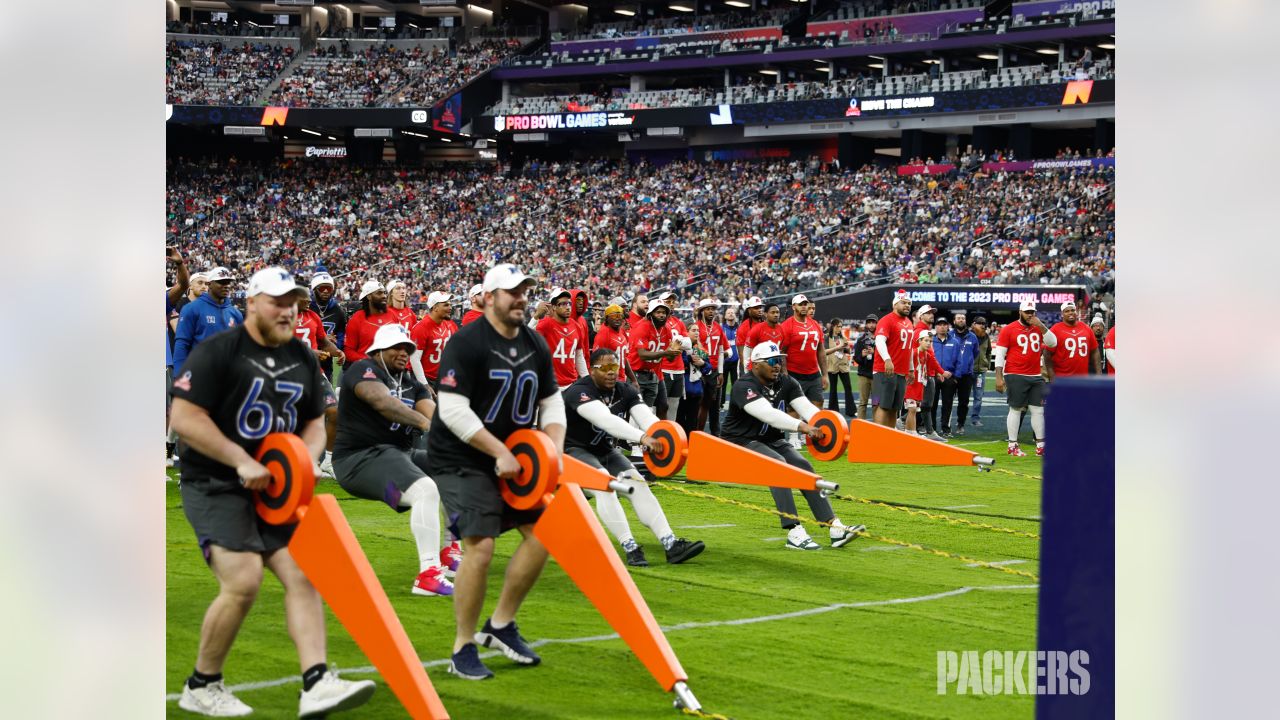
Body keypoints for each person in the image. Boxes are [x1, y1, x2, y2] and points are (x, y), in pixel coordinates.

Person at [169, 267, 375, 718]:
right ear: (252, 304)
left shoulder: (301, 356)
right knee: (243, 582)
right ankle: (202, 685)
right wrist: (240, 460)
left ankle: (317, 682)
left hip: (273, 488)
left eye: (293, 303)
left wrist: (304, 460)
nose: (288, 311)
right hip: (216, 482)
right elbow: (183, 419)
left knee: (304, 575)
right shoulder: (218, 351)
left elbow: (315, 422)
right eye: (278, 302)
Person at [426, 263, 565, 681]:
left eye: (524, 290)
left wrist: (553, 450)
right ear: (488, 297)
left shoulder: (534, 342)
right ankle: (462, 646)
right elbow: (451, 409)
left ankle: (501, 624)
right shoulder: (466, 342)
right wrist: (497, 450)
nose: (521, 297)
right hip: (462, 457)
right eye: (511, 292)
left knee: (545, 536)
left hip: (515, 456)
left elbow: (551, 402)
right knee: (480, 546)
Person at [333, 324, 455, 597]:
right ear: (377, 351)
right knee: (426, 490)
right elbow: (384, 403)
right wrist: (425, 425)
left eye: (407, 348)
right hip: (358, 458)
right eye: (396, 347)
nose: (404, 352)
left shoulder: (411, 383)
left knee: (453, 470)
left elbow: (433, 415)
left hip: (395, 455)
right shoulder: (363, 370)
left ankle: (449, 551)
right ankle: (428, 574)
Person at [563, 348, 706, 566]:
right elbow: (605, 420)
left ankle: (670, 544)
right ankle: (629, 546)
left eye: (615, 367)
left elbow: (646, 418)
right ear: (592, 371)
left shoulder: (625, 390)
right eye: (605, 368)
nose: (612, 372)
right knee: (605, 485)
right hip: (571, 452)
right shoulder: (579, 391)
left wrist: (659, 438)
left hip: (604, 450)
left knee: (638, 484)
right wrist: (642, 438)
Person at [721, 342, 865, 550]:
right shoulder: (744, 386)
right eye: (771, 361)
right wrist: (804, 427)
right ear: (755, 365)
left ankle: (834, 526)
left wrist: (828, 428)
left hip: (770, 439)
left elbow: (807, 409)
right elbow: (768, 415)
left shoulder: (786, 382)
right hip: (739, 441)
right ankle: (793, 530)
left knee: (802, 465)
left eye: (779, 360)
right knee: (778, 465)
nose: (777, 365)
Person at [994, 300, 1057, 456]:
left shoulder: (1038, 327)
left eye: (1032, 311)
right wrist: (998, 377)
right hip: (1015, 373)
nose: (1030, 314)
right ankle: (1012, 445)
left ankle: (1041, 445)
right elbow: (1000, 354)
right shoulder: (1009, 329)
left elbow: (1053, 343)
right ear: (1020, 312)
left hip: (1035, 374)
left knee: (1038, 410)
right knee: (1016, 409)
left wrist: (1041, 325)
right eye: (1027, 311)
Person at [295, 294, 344, 475]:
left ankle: (328, 461)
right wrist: (311, 352)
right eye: (304, 297)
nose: (308, 300)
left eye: (309, 297)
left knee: (334, 412)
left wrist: (337, 351)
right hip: (292, 374)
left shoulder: (313, 316)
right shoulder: (283, 315)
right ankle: (305, 461)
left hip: (316, 374)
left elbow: (323, 341)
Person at [172, 266, 243, 374]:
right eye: (221, 282)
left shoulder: (235, 313)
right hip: (199, 375)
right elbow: (182, 343)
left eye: (228, 282)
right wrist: (179, 375)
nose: (226, 286)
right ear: (209, 284)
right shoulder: (191, 309)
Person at [628, 298, 682, 416]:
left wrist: (675, 351)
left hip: (654, 372)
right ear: (650, 314)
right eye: (658, 312)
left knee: (661, 405)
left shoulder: (666, 329)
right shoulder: (641, 327)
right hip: (636, 372)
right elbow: (642, 355)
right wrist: (665, 353)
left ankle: (660, 432)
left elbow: (669, 358)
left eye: (664, 312)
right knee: (636, 409)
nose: (661, 315)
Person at [872, 292, 914, 428]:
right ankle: (878, 438)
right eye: (904, 303)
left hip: (901, 372)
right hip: (885, 370)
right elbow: (879, 340)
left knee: (894, 408)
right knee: (882, 405)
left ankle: (889, 438)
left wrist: (911, 368)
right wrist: (887, 359)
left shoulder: (908, 322)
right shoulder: (887, 319)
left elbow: (909, 348)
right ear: (895, 304)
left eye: (909, 303)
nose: (907, 306)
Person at [536, 287, 589, 390]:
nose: (568, 307)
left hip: (571, 384)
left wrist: (587, 380)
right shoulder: (546, 324)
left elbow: (579, 356)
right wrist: (536, 317)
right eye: (563, 304)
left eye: (569, 303)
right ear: (554, 307)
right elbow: (527, 341)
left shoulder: (576, 326)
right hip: (551, 385)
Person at [410, 291, 459, 393]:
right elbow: (414, 358)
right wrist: (424, 384)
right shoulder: (421, 327)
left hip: (445, 378)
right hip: (427, 379)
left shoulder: (450, 324)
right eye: (446, 305)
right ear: (435, 308)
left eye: (450, 304)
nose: (450, 307)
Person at [693, 298, 728, 434]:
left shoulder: (718, 327)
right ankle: (693, 432)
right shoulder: (696, 326)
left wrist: (720, 371)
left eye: (713, 309)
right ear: (702, 311)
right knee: (697, 404)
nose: (711, 311)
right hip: (697, 369)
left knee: (708, 404)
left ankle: (701, 434)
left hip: (713, 370)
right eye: (708, 309)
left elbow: (721, 351)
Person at [343, 280, 396, 365]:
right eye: (379, 293)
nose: (384, 296)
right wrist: (370, 361)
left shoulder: (392, 315)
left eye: (384, 293)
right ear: (369, 297)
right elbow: (349, 352)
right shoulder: (356, 319)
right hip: (366, 372)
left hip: (390, 371)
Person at [1045, 300, 1100, 380]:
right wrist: (1052, 378)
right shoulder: (1055, 330)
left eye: (1072, 310)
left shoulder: (1086, 328)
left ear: (1076, 312)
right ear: (1062, 314)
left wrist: (1099, 374)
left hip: (1083, 379)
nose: (1070, 313)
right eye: (1067, 311)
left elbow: (1095, 351)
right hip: (1062, 379)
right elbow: (1047, 355)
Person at [656, 291, 689, 422]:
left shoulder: (678, 322)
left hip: (679, 368)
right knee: (660, 405)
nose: (671, 304)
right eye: (667, 301)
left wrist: (677, 341)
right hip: (663, 368)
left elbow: (688, 344)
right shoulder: (657, 322)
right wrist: (680, 341)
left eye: (672, 301)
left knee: (674, 405)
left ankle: (671, 434)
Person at [309, 272, 348, 383]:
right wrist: (324, 340)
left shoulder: (338, 310)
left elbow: (341, 336)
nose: (326, 291)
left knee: (326, 398)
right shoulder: (307, 307)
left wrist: (335, 346)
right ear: (314, 289)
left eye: (329, 288)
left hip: (326, 362)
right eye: (322, 288)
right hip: (307, 359)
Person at [948, 312, 979, 436]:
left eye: (963, 318)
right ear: (954, 321)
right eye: (958, 318)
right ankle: (947, 425)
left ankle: (961, 424)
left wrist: (968, 364)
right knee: (947, 400)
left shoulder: (972, 337)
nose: (961, 320)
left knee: (964, 401)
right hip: (951, 373)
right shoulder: (949, 335)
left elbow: (975, 353)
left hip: (966, 375)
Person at [931, 317, 960, 437]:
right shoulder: (931, 341)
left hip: (949, 377)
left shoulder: (955, 342)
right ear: (936, 327)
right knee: (932, 404)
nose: (942, 327)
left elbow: (959, 361)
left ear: (948, 326)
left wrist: (955, 377)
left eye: (944, 324)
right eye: (939, 324)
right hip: (934, 376)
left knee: (947, 405)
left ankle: (946, 429)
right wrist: (936, 372)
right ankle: (931, 428)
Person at [905, 329, 937, 433]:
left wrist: (941, 372)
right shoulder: (913, 353)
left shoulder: (926, 355)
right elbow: (906, 367)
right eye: (926, 340)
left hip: (919, 386)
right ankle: (910, 431)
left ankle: (910, 432)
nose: (928, 343)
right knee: (912, 409)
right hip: (911, 386)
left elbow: (932, 364)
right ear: (919, 341)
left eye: (930, 341)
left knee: (914, 410)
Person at [824, 318, 854, 417]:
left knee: (848, 387)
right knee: (833, 388)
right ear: (833, 326)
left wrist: (846, 348)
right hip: (832, 366)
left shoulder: (843, 337)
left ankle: (851, 410)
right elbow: (825, 352)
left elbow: (848, 352)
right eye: (838, 326)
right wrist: (837, 348)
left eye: (841, 326)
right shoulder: (826, 337)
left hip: (843, 365)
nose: (839, 328)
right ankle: (833, 410)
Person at [853, 314, 877, 420]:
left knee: (876, 403)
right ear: (866, 324)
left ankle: (878, 428)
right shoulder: (861, 339)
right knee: (863, 403)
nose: (871, 325)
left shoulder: (882, 339)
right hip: (864, 375)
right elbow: (856, 358)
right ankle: (860, 428)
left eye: (873, 322)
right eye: (869, 322)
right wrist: (862, 356)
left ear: (877, 323)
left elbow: (888, 357)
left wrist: (875, 353)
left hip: (877, 376)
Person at [968, 316, 991, 427]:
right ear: (974, 324)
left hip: (981, 371)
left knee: (978, 396)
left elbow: (989, 351)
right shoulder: (968, 336)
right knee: (963, 396)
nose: (982, 325)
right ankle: (960, 420)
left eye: (984, 323)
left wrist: (987, 364)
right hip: (968, 371)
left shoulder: (986, 337)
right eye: (980, 323)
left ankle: (975, 419)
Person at [736, 296, 765, 377]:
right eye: (756, 308)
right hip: (748, 364)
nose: (759, 310)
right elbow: (742, 354)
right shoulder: (743, 327)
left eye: (760, 307)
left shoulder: (766, 324)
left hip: (764, 364)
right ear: (749, 310)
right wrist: (747, 371)